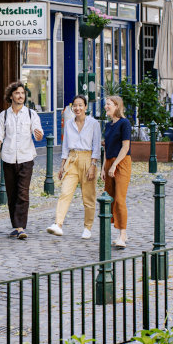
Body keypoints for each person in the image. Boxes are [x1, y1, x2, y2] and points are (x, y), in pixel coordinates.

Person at [0, 80, 45, 240]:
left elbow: (39, 132)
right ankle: (16, 226)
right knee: (12, 193)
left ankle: (21, 227)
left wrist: (39, 135)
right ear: (11, 96)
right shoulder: (4, 116)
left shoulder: (31, 114)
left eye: (22, 93)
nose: (20, 96)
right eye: (17, 93)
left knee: (23, 192)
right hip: (8, 158)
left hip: (26, 158)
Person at [48, 94, 101, 238]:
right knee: (65, 192)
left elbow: (96, 146)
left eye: (80, 105)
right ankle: (58, 224)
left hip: (87, 158)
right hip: (71, 159)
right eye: (75, 105)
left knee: (88, 196)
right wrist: (62, 165)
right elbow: (65, 146)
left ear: (85, 107)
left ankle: (87, 228)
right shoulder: (69, 123)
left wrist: (93, 165)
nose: (77, 108)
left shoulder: (94, 123)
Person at [102, 95, 132, 248]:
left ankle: (123, 234)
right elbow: (106, 148)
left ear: (116, 106)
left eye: (108, 104)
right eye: (106, 104)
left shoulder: (124, 123)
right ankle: (119, 232)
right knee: (111, 198)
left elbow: (125, 147)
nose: (106, 106)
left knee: (120, 199)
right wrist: (104, 167)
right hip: (109, 162)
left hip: (122, 163)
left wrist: (114, 166)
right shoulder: (108, 126)